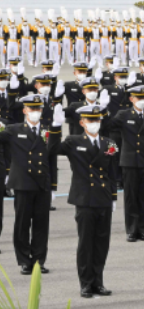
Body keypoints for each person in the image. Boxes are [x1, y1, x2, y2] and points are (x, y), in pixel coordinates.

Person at [49, 105, 117, 298]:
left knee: (102, 243)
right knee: (86, 243)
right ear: (82, 123)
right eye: (90, 120)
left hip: (103, 198)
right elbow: (53, 149)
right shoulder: (73, 141)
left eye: (97, 120)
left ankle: (98, 282)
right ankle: (86, 283)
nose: (94, 123)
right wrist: (55, 127)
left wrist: (113, 197)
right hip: (85, 199)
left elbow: (111, 173)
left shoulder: (109, 143)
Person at [0, 94, 58, 274]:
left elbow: (53, 157)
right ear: (24, 111)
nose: (35, 112)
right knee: (22, 224)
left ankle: (39, 260)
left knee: (41, 224)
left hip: (42, 184)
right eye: (32, 109)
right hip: (23, 184)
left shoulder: (48, 131)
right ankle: (25, 260)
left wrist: (53, 185)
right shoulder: (14, 130)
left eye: (38, 109)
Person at [107, 85, 144, 242]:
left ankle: (142, 229)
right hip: (130, 161)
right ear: (131, 99)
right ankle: (131, 230)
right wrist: (103, 111)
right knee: (131, 197)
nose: (142, 101)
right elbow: (108, 126)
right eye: (139, 98)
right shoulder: (124, 114)